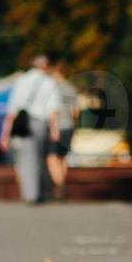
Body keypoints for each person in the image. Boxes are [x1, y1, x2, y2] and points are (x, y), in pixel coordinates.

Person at [0, 54, 61, 203]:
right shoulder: (49, 82)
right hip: (41, 123)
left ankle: (29, 194)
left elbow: (12, 109)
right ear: (45, 66)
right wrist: (55, 129)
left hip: (23, 123)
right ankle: (41, 193)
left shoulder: (21, 80)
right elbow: (53, 108)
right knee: (41, 157)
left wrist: (5, 133)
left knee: (27, 158)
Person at [46, 60, 80, 200]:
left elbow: (50, 111)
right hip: (68, 127)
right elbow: (75, 111)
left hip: (55, 127)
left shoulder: (52, 88)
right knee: (62, 158)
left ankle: (59, 186)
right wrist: (72, 123)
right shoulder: (71, 88)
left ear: (56, 72)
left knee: (51, 158)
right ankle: (61, 183)